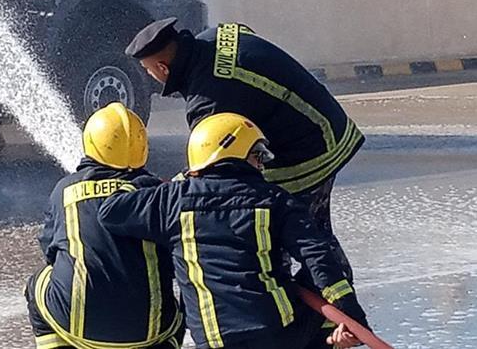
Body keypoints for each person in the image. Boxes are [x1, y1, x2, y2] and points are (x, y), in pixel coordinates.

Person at [98, 113, 370, 349]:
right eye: (257, 155)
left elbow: (110, 211)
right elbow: (319, 254)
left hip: (214, 338)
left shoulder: (171, 200)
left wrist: (167, 181)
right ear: (235, 154)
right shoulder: (275, 200)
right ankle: (333, 338)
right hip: (277, 333)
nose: (261, 164)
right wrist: (351, 317)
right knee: (324, 282)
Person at [125, 18, 364, 281]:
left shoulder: (207, 101)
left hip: (310, 149)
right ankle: (326, 285)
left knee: (281, 234)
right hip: (326, 117)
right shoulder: (215, 35)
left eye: (148, 70)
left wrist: (166, 190)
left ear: (162, 68)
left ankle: (329, 293)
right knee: (304, 229)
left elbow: (211, 169)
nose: (149, 76)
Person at [25, 102, 183, 349]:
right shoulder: (156, 192)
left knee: (37, 283)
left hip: (79, 327)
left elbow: (50, 250)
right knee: (184, 299)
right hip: (148, 333)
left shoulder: (64, 189)